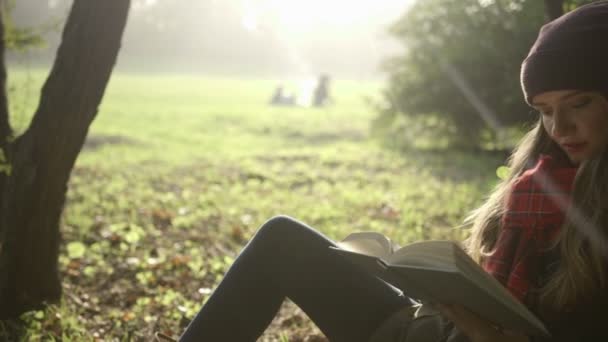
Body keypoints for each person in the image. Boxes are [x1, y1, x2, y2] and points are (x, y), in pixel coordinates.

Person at [177, 2, 608, 341]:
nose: (560, 128)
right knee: (282, 240)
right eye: (545, 111)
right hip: (425, 331)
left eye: (579, 103)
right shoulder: (539, 180)